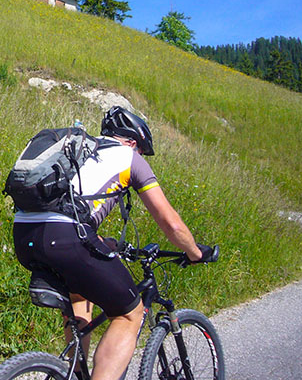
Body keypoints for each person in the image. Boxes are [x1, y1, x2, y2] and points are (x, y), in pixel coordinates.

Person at [12, 106, 215, 380]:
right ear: (132, 142)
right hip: (67, 237)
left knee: (81, 295)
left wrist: (105, 244)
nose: (140, 155)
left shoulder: (80, 151)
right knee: (130, 315)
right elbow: (171, 224)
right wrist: (194, 252)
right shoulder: (128, 157)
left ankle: (75, 374)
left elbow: (70, 208)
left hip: (25, 235)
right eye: (141, 150)